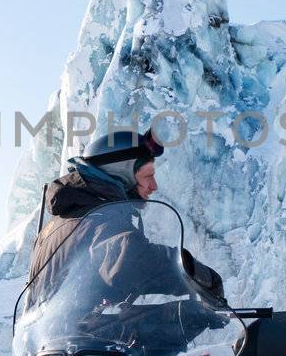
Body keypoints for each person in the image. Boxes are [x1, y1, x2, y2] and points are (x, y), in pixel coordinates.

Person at [27, 129, 227, 308]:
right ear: (122, 173)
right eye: (148, 176)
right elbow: (131, 260)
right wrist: (198, 274)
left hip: (64, 344)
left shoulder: (63, 220)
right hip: (75, 345)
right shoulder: (98, 216)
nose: (154, 186)